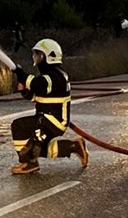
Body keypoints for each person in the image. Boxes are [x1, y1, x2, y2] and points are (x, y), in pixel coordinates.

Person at [10, 39, 88, 174]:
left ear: (48, 56)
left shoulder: (55, 76)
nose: (36, 58)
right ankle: (74, 146)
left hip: (51, 121)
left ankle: (28, 162)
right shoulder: (53, 75)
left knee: (18, 126)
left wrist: (20, 74)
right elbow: (37, 96)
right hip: (50, 120)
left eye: (38, 55)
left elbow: (37, 84)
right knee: (38, 149)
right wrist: (25, 91)